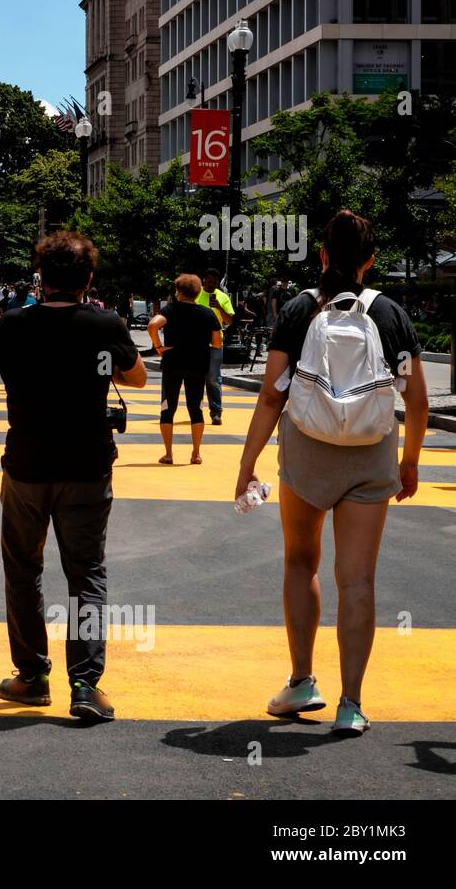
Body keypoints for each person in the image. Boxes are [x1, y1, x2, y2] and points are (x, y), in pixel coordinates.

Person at [235, 210, 427, 737]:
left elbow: (272, 395)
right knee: (358, 578)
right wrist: (407, 462)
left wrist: (247, 463)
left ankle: (301, 681)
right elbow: (417, 400)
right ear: (370, 261)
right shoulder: (390, 315)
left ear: (321, 256)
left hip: (307, 452)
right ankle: (352, 703)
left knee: (301, 561)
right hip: (371, 454)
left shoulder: (299, 311)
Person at [0, 232, 147, 723]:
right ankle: (85, 685)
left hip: (27, 465)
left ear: (40, 278)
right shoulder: (104, 323)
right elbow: (137, 378)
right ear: (88, 279)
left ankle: (31, 675)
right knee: (86, 572)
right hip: (87, 465)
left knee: (24, 569)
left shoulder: (14, 324)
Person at [149, 274, 222, 465]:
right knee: (195, 408)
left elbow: (152, 325)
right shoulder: (208, 314)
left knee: (167, 408)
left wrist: (158, 347)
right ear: (198, 293)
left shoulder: (171, 310)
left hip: (172, 364)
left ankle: (168, 454)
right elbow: (217, 342)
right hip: (198, 365)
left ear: (179, 291)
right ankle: (196, 453)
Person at [197, 268, 234, 425]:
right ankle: (196, 410)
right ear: (204, 279)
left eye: (215, 281)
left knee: (213, 378)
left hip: (216, 343)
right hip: (196, 343)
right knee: (196, 378)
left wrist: (219, 306)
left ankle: (216, 412)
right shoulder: (195, 294)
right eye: (209, 280)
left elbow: (230, 321)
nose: (212, 283)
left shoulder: (222, 297)